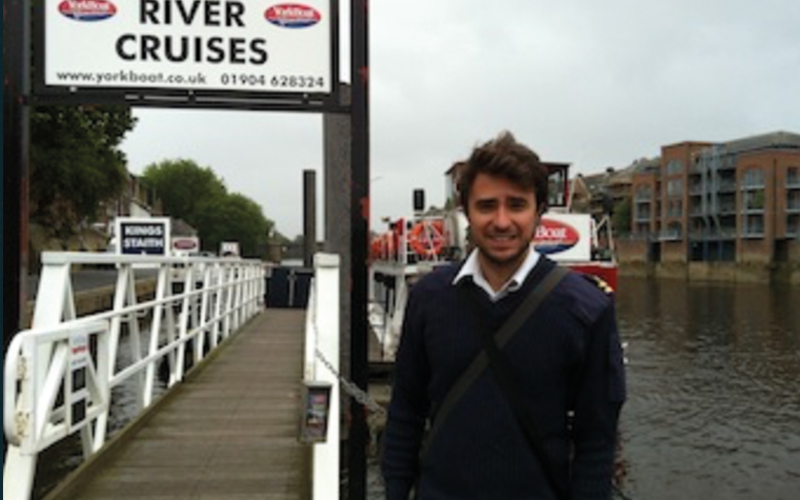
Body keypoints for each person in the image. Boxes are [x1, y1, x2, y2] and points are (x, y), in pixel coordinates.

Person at [381, 131, 626, 500]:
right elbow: (405, 414)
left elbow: (596, 441)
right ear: (467, 211)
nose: (501, 221)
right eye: (486, 206)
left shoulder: (587, 310)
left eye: (516, 205)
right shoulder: (429, 299)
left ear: (538, 210)